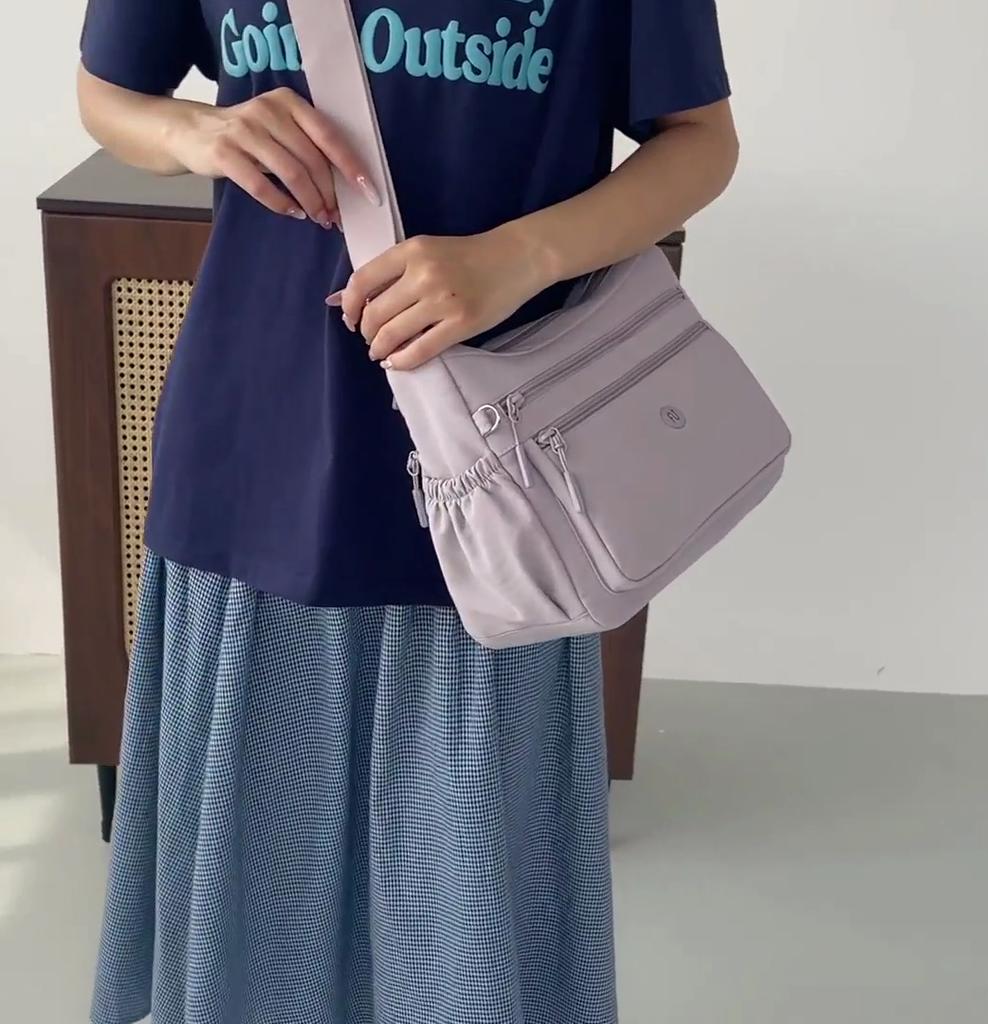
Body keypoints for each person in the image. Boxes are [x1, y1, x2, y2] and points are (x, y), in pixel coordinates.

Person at [77, 1, 738, 1021]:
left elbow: (699, 140)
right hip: (253, 459)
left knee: (466, 936)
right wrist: (193, 133)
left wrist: (519, 257)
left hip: (496, 490)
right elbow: (107, 93)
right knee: (252, 936)